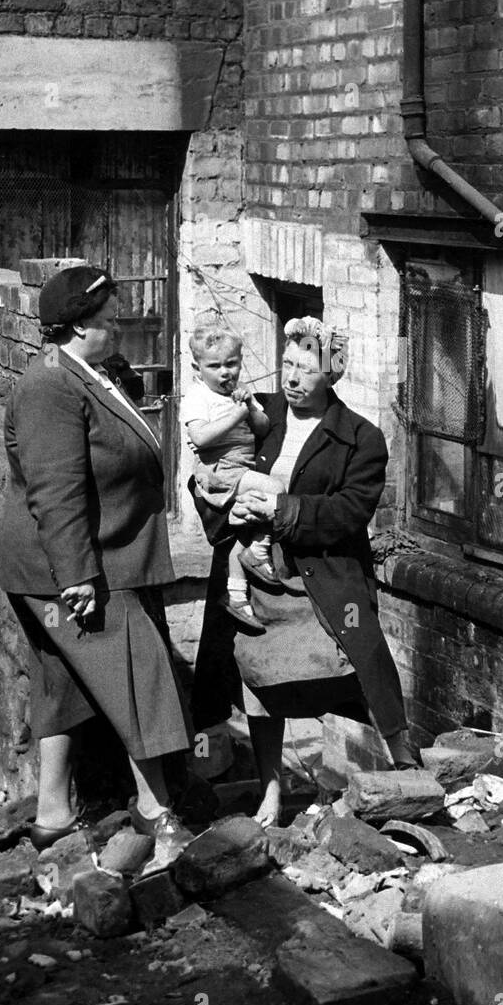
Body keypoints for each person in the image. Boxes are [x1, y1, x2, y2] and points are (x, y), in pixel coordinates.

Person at [191, 316, 418, 826]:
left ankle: (401, 765)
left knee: (358, 666)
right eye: (288, 364)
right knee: (258, 679)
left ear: (331, 376)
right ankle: (271, 791)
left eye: (307, 369)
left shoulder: (359, 438)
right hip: (256, 577)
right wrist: (226, 506)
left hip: (324, 578)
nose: (291, 378)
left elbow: (350, 513)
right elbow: (206, 465)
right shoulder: (257, 413)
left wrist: (281, 511)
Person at [0, 265, 193, 857]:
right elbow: (55, 489)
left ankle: (52, 816)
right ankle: (156, 811)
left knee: (64, 683)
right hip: (75, 566)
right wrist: (78, 577)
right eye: (110, 321)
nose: (120, 328)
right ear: (79, 327)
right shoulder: (50, 387)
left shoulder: (90, 374)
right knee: (138, 676)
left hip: (102, 556)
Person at [180, 326, 285, 634]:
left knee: (238, 531)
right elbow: (200, 437)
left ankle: (237, 597)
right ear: (197, 369)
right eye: (214, 366)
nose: (225, 373)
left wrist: (251, 408)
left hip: (240, 467)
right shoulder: (198, 397)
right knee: (276, 490)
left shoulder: (240, 397)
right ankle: (259, 550)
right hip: (221, 471)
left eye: (231, 364)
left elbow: (263, 428)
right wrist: (237, 416)